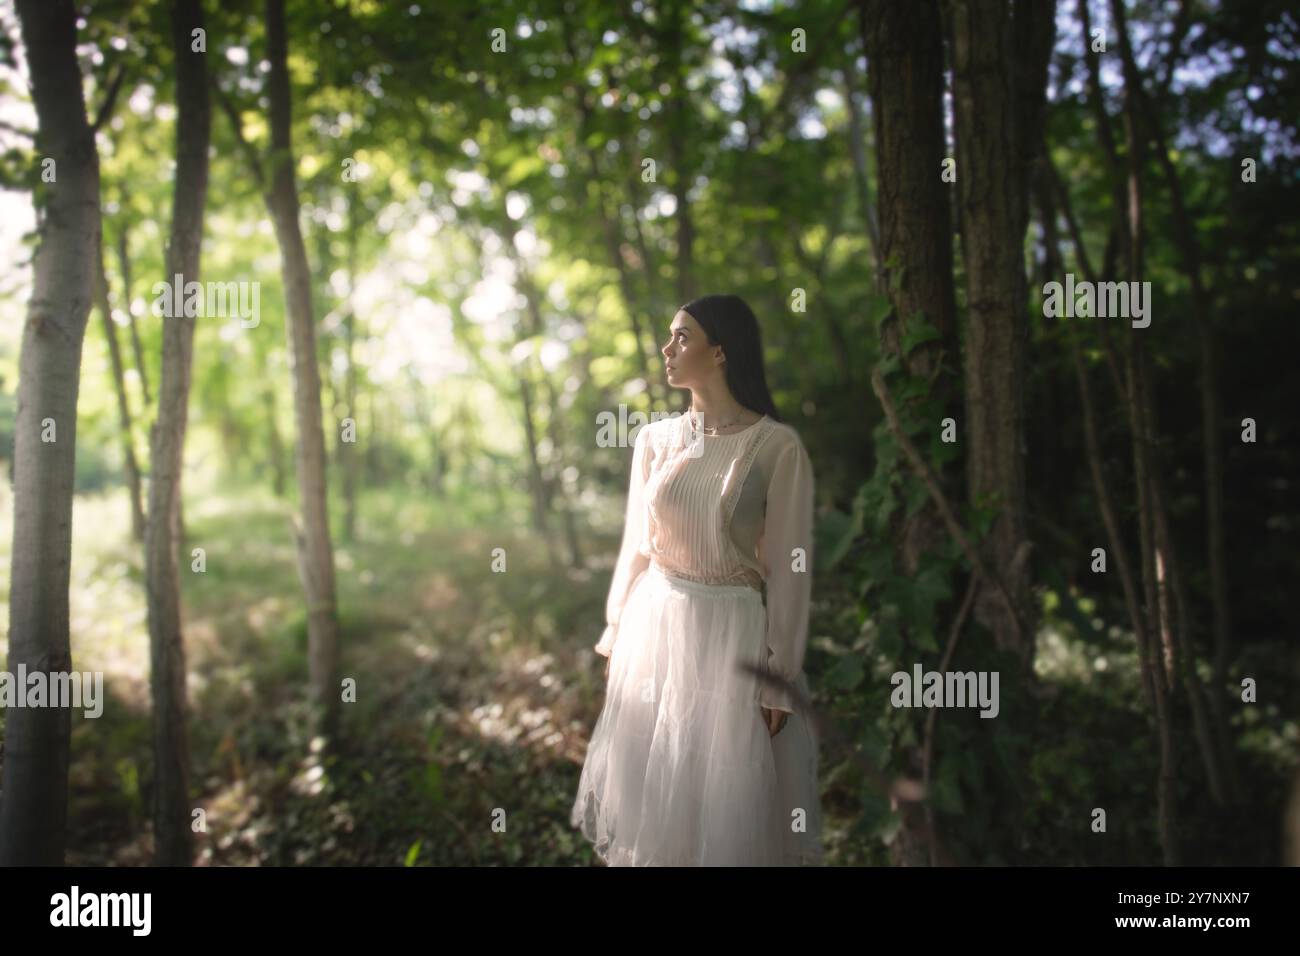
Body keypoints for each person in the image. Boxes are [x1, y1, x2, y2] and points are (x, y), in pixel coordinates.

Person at [570, 293, 823, 866]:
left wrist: (780, 674)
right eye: (669, 335)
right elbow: (638, 545)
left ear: (721, 352)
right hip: (656, 625)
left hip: (732, 634)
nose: (667, 348)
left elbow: (788, 569)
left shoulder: (776, 447)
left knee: (723, 793)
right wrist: (615, 630)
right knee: (660, 789)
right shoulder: (654, 440)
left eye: (681, 337)